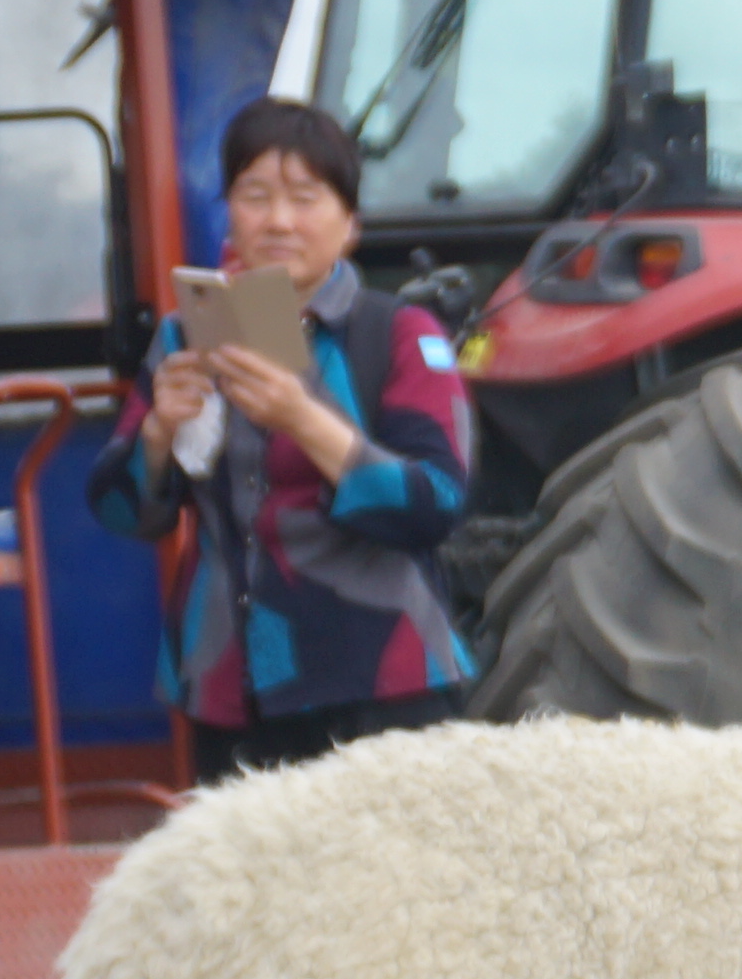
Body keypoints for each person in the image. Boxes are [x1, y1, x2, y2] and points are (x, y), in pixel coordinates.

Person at [83, 97, 477, 778]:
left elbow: (436, 501)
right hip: (228, 690)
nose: (279, 220)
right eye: (255, 196)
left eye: (306, 197)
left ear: (349, 223)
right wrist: (157, 431)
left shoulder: (401, 333)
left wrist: (302, 418)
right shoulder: (187, 333)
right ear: (230, 212)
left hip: (380, 685)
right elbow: (122, 510)